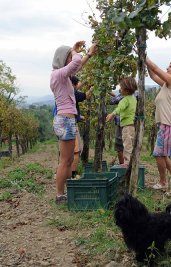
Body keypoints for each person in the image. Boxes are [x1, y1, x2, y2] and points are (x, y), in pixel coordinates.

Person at [50, 40, 97, 204]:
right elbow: (76, 62)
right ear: (63, 59)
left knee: (69, 160)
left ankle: (65, 192)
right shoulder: (58, 74)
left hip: (66, 120)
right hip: (65, 120)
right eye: (69, 57)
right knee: (65, 160)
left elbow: (78, 65)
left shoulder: (63, 76)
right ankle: (60, 195)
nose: (72, 59)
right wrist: (75, 50)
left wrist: (89, 54)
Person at [146, 55, 171, 190]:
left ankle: (163, 182)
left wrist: (144, 55)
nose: (167, 68)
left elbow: (156, 69)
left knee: (158, 154)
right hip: (165, 123)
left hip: (169, 123)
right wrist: (145, 63)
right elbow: (152, 75)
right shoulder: (167, 84)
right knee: (162, 153)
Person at [106, 77, 138, 167]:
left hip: (126, 126)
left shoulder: (125, 100)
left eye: (121, 87)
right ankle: (130, 161)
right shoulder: (133, 98)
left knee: (127, 144)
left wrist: (112, 114)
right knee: (130, 143)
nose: (119, 90)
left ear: (127, 90)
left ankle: (127, 163)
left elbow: (119, 108)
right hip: (131, 125)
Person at [70, 76, 92, 179]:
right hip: (71, 124)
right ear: (73, 85)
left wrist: (79, 117)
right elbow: (85, 96)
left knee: (73, 150)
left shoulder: (66, 91)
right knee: (76, 150)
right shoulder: (72, 92)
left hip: (69, 123)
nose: (78, 86)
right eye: (77, 84)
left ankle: (69, 172)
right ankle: (72, 175)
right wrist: (92, 89)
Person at [109, 91, 125, 165]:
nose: (120, 89)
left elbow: (113, 100)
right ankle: (124, 166)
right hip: (122, 123)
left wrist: (107, 90)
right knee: (121, 147)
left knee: (121, 147)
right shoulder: (132, 94)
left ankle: (124, 167)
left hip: (124, 124)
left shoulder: (129, 95)